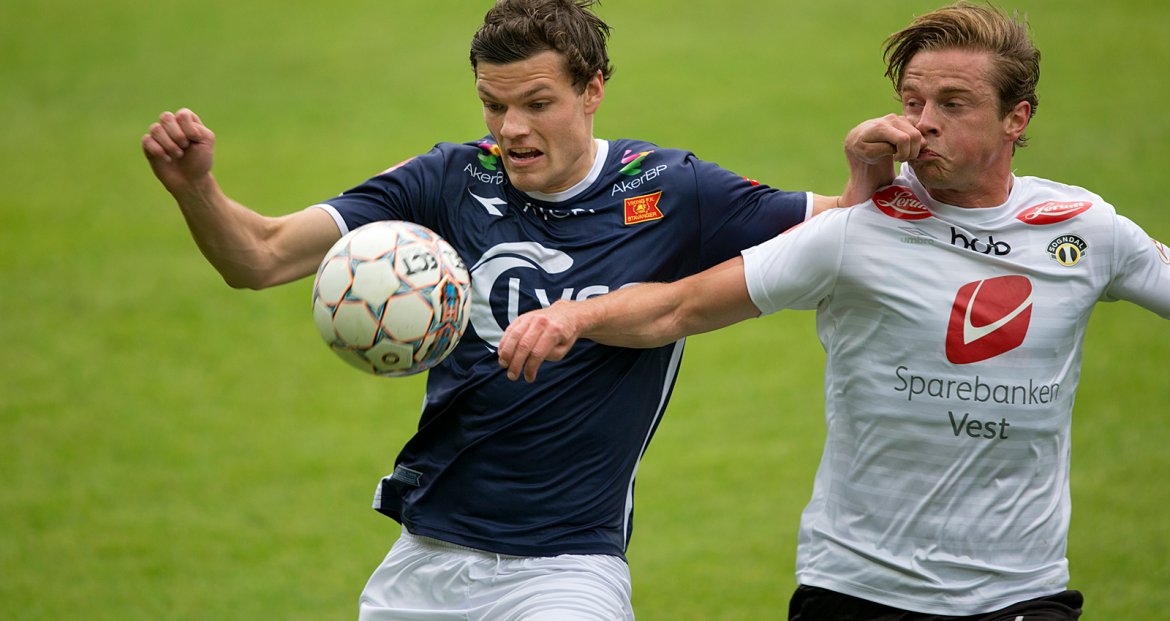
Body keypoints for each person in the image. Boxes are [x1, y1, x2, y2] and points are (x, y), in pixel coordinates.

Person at [141, 1, 862, 618]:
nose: (510, 128)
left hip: (566, 569)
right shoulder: (448, 179)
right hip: (425, 558)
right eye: (494, 104)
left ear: (593, 89)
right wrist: (195, 189)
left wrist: (870, 170)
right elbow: (259, 256)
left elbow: (847, 226)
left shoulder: (673, 190)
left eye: (536, 103)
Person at [498, 2, 1170, 619]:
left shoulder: (1084, 230)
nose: (924, 120)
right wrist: (575, 318)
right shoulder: (860, 229)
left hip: (1021, 592)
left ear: (1016, 118)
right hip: (857, 589)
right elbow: (680, 305)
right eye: (913, 100)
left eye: (954, 103)